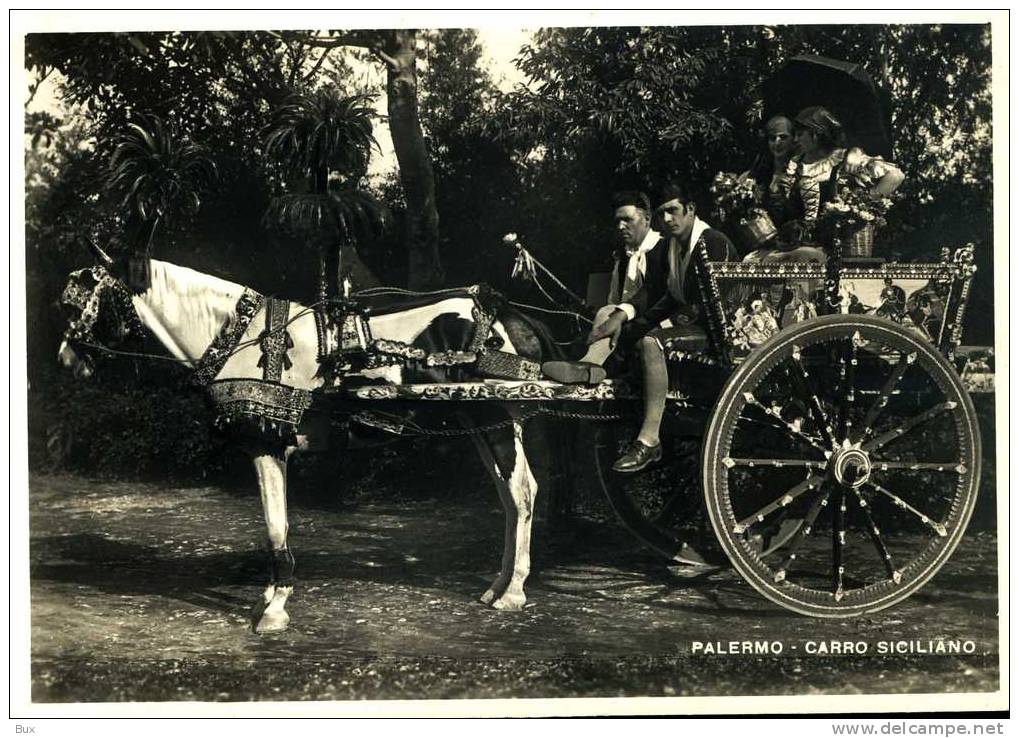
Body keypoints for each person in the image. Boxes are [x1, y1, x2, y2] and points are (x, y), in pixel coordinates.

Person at [611, 183, 737, 473]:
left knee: (652, 343)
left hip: (720, 331)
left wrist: (665, 325)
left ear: (690, 209)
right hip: (695, 326)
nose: (667, 219)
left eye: (673, 211)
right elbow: (660, 293)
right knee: (636, 335)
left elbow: (723, 300)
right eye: (661, 213)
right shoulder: (671, 246)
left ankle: (650, 438)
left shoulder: (713, 241)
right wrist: (625, 318)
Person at [541, 190, 667, 384]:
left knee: (609, 314)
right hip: (626, 319)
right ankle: (589, 366)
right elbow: (615, 299)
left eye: (627, 220)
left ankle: (590, 367)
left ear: (647, 219)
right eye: (617, 221)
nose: (620, 226)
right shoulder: (624, 256)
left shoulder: (662, 249)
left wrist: (619, 316)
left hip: (657, 321)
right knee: (593, 323)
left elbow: (655, 293)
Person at [751, 106, 905, 264]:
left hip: (834, 247)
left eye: (800, 134)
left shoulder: (844, 159)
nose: (795, 140)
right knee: (755, 261)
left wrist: (861, 205)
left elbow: (896, 176)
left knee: (801, 258)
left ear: (816, 134)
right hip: (798, 243)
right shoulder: (796, 163)